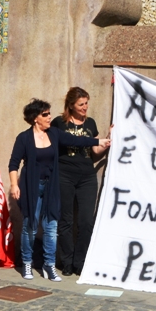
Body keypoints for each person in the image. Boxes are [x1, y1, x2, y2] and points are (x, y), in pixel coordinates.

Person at [9, 99, 110, 282]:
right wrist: (14, 185)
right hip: (31, 187)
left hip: (50, 187)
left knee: (51, 227)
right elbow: (13, 163)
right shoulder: (24, 138)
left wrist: (100, 141)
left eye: (49, 113)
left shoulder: (54, 134)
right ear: (35, 119)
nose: (49, 117)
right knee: (30, 226)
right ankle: (27, 262)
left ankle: (49, 265)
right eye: (45, 114)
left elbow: (77, 140)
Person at [51, 87, 110, 276]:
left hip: (86, 177)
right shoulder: (59, 123)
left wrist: (107, 141)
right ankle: (66, 262)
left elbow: (94, 152)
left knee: (86, 222)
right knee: (66, 220)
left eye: (87, 103)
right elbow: (62, 143)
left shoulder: (90, 123)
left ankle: (80, 262)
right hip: (64, 175)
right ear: (71, 105)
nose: (85, 107)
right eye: (81, 104)